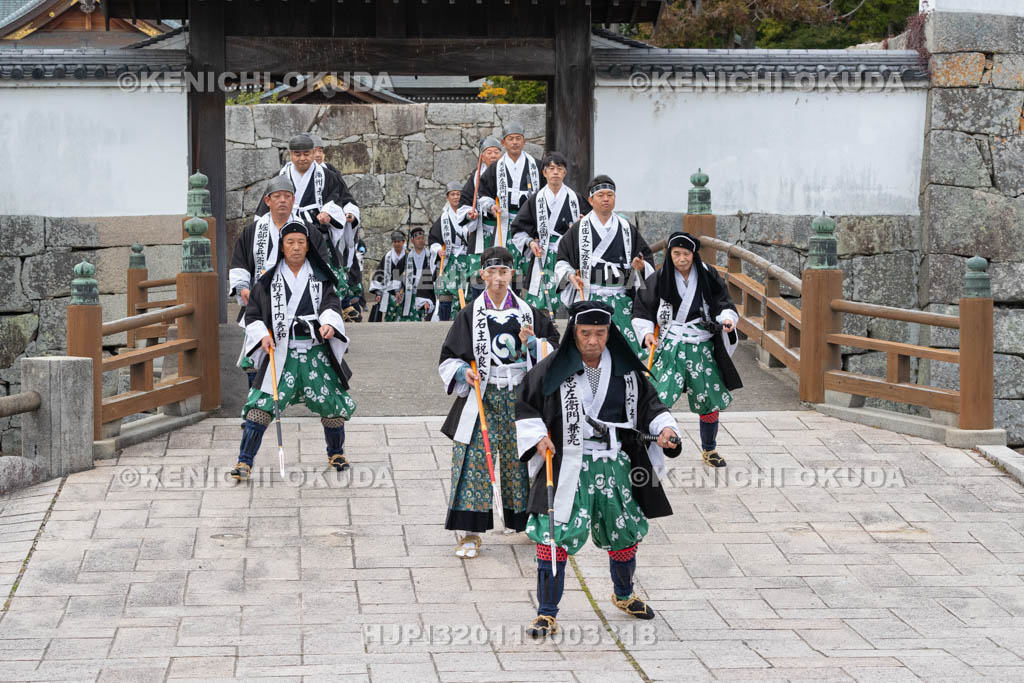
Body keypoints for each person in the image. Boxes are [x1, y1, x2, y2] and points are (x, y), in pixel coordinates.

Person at [515, 301, 682, 637]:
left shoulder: (629, 374)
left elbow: (652, 407)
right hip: (567, 465)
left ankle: (624, 594)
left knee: (624, 532)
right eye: (585, 333)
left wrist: (666, 430)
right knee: (553, 534)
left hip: (614, 465)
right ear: (574, 334)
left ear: (610, 334)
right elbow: (525, 404)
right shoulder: (551, 369)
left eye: (600, 334)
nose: (593, 341)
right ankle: (546, 612)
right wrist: (537, 438)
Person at [438, 247, 559, 559]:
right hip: (485, 395)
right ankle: (471, 532)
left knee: (522, 458)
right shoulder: (469, 315)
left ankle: (527, 521)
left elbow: (556, 351)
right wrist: (464, 371)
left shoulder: (529, 312)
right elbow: (449, 358)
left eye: (504, 272)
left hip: (521, 395)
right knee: (474, 459)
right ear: (482, 275)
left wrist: (534, 343)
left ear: (512, 275)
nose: (498, 279)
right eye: (492, 272)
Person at [232, 220, 357, 481]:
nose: (296, 247)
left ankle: (336, 452)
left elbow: (331, 305)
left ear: (309, 246)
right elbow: (253, 314)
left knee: (330, 403)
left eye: (301, 242)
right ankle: (244, 461)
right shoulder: (267, 281)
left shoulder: (321, 278)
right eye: (290, 242)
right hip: (281, 352)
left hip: (314, 351)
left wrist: (330, 324)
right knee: (261, 406)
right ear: (282, 246)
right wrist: (263, 335)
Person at [632, 232, 743, 468]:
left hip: (700, 343)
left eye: (686, 254)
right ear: (670, 254)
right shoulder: (661, 276)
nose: (681, 259)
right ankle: (652, 443)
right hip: (671, 342)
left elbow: (724, 301)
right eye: (676, 254)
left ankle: (709, 449)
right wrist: (647, 333)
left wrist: (726, 319)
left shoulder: (707, 274)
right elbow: (643, 306)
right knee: (658, 395)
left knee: (709, 398)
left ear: (694, 254)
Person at [228, 175, 331, 388]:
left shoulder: (307, 230)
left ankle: (307, 395)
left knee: (307, 357)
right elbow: (240, 261)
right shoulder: (254, 231)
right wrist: (243, 287)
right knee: (256, 357)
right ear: (268, 201)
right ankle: (255, 407)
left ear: (294, 200)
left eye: (287, 196)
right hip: (263, 303)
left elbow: (322, 265)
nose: (283, 200)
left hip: (300, 305)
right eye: (277, 196)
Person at [555, 175, 654, 354]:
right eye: (601, 195)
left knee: (625, 352)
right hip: (590, 297)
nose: (606, 199)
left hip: (620, 298)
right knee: (586, 349)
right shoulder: (578, 230)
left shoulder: (626, 229)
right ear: (591, 200)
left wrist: (641, 267)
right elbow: (562, 260)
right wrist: (570, 276)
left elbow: (645, 258)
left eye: (610, 195)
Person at [510, 152, 589, 317]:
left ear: (565, 172)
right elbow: (518, 228)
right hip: (544, 253)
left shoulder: (576, 199)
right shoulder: (535, 200)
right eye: (551, 168)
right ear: (544, 172)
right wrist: (530, 242)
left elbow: (591, 225)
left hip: (568, 255)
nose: (555, 172)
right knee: (541, 301)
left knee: (569, 297)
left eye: (559, 168)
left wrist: (582, 226)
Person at [469, 123, 541, 272]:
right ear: (504, 143)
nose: (514, 142)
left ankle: (522, 292)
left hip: (528, 222)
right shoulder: (496, 168)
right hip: (504, 220)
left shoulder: (537, 166)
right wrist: (491, 206)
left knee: (526, 266)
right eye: (510, 139)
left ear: (524, 141)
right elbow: (483, 193)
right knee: (503, 262)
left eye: (518, 138)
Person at [458, 136, 504, 301]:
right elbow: (464, 204)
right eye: (489, 152)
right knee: (479, 273)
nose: (493, 155)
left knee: (503, 270)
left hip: (503, 229)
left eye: (497, 152)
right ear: (482, 156)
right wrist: (470, 214)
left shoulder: (508, 175)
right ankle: (479, 308)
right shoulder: (476, 178)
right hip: (481, 232)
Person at [429, 180, 475, 321]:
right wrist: (438, 250)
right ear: (447, 197)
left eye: (458, 194)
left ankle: (465, 320)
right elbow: (434, 239)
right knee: (445, 289)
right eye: (452, 194)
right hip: (450, 259)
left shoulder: (469, 214)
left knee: (467, 290)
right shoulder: (443, 219)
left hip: (467, 258)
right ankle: (444, 320)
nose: (456, 197)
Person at [397, 226, 436, 321]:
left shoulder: (430, 256)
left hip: (426, 292)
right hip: (411, 294)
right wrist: (397, 290)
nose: (421, 241)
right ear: (412, 241)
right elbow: (396, 273)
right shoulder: (406, 258)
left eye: (422, 238)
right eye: (418, 239)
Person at [368, 231, 407, 322]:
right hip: (389, 292)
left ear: (403, 242)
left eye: (399, 241)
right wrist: (378, 292)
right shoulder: (388, 257)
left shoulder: (409, 255)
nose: (396, 244)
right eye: (394, 242)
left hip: (403, 291)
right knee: (390, 316)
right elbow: (380, 273)